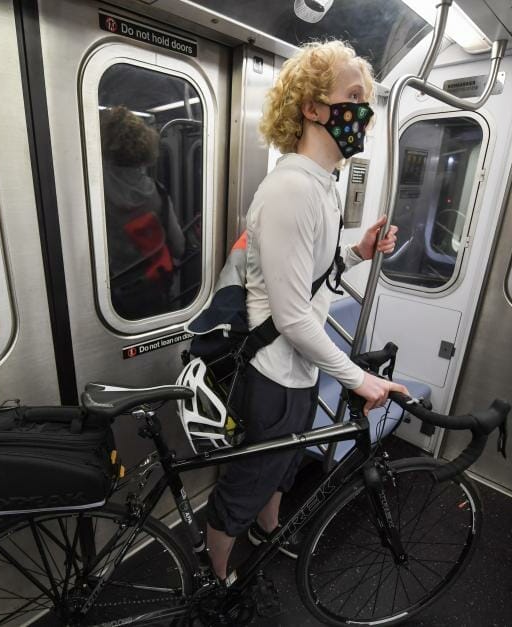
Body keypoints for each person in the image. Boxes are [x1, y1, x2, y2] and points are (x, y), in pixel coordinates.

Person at [204, 41, 410, 581]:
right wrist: (358, 377)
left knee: (286, 464)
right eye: (353, 97)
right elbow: (293, 316)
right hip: (273, 368)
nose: (363, 113)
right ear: (313, 108)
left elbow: (307, 273)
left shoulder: (321, 188)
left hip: (298, 366)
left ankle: (267, 531)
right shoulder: (292, 189)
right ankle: (216, 576)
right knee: (250, 476)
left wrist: (357, 251)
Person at [99, 106, 185, 320]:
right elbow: (178, 246)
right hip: (153, 291)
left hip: (111, 301)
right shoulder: (157, 194)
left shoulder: (95, 191)